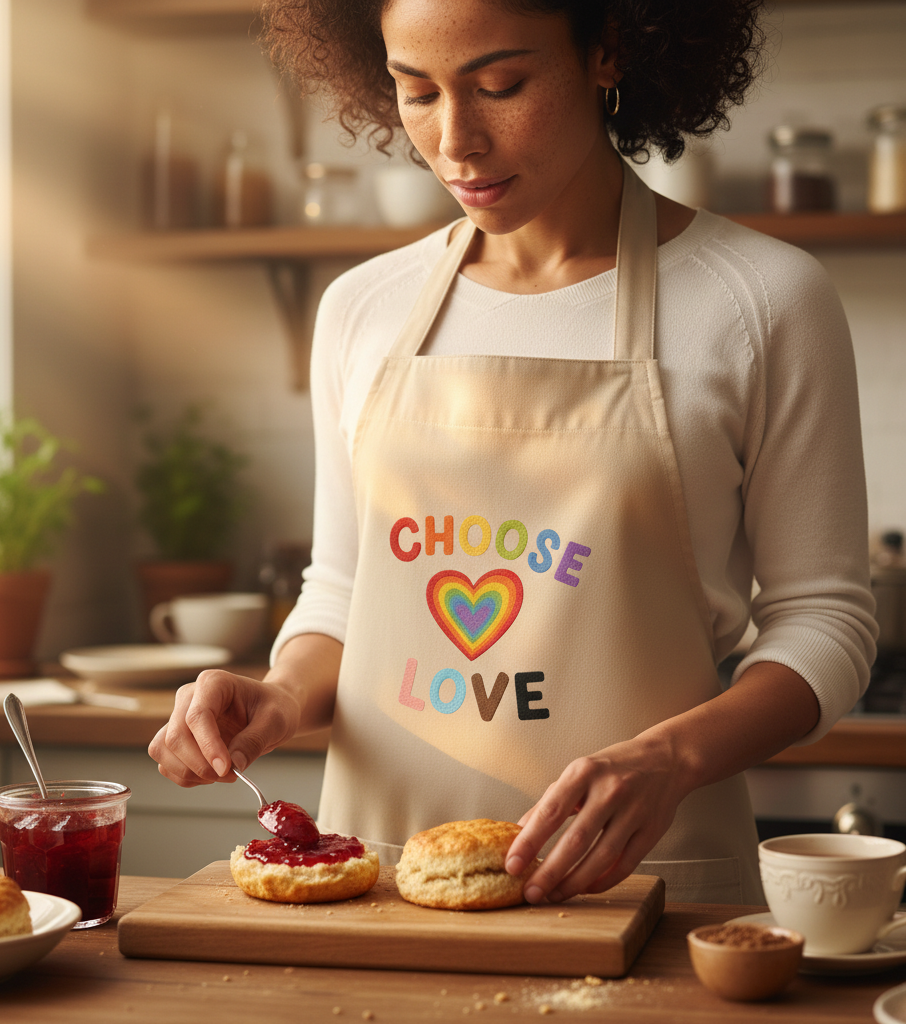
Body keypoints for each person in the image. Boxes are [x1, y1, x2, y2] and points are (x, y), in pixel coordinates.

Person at [149, 0, 878, 905]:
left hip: (644, 886)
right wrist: (283, 695)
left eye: (501, 86)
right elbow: (345, 589)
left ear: (608, 48)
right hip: (377, 877)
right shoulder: (363, 310)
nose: (456, 142)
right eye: (415, 92)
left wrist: (672, 757)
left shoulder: (761, 302)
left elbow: (827, 621)